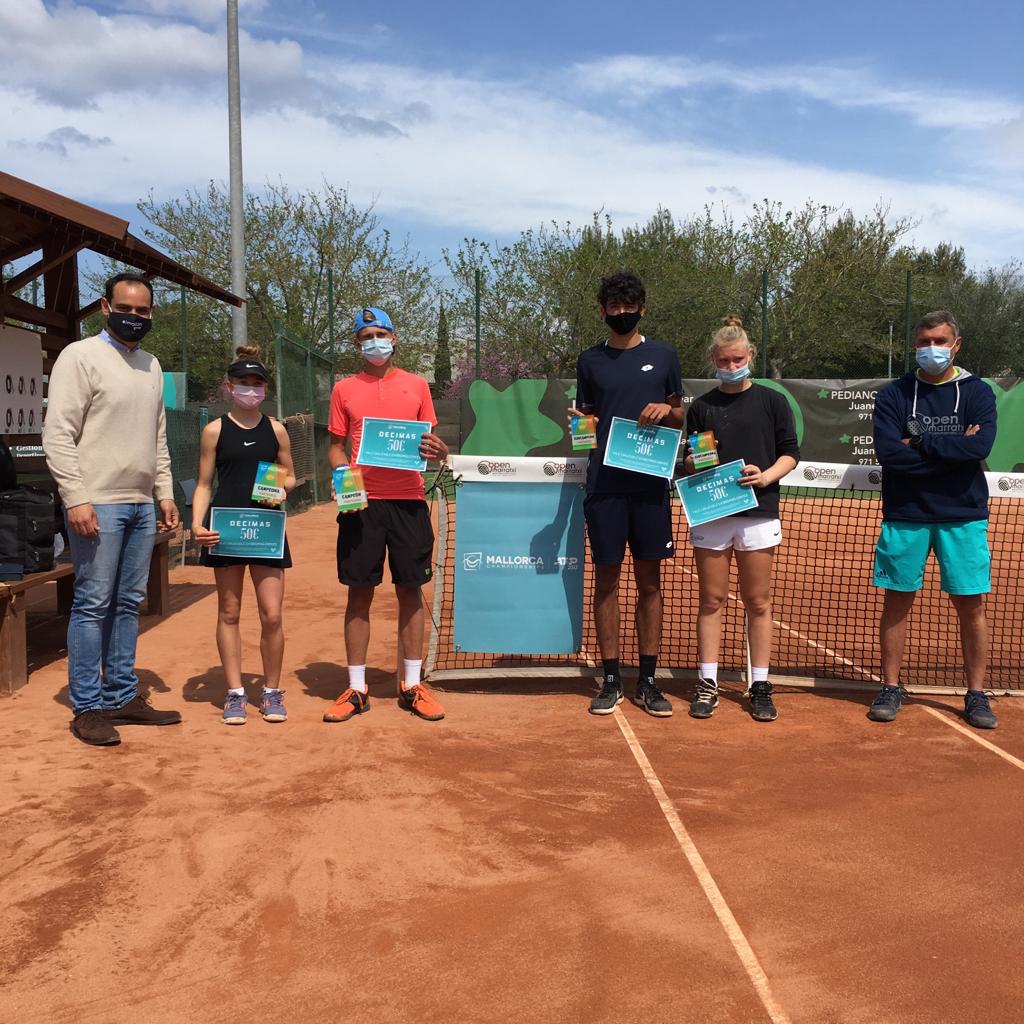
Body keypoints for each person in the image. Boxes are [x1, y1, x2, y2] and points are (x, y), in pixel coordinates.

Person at [42, 272, 181, 746]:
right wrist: (76, 497)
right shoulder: (79, 356)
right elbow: (57, 433)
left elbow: (157, 435)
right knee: (92, 603)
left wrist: (164, 492)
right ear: (106, 307)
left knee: (126, 603)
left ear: (152, 312)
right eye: (125, 308)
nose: (134, 317)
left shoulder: (151, 365)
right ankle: (87, 707)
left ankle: (122, 695)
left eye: (142, 311)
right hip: (97, 502)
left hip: (141, 504)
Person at [868, 310, 998, 729]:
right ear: (915, 344)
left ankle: (976, 694)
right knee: (896, 602)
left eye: (940, 341)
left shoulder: (977, 392)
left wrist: (919, 442)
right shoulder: (894, 394)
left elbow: (979, 449)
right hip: (905, 513)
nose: (932, 349)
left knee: (971, 606)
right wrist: (952, 450)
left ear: (956, 344)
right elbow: (889, 454)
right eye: (924, 341)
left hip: (963, 514)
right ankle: (890, 687)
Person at [323, 306, 449, 723]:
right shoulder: (343, 389)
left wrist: (440, 451)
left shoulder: (417, 385)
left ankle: (412, 684)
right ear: (357, 344)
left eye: (380, 334)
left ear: (393, 338)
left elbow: (429, 443)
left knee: (411, 591)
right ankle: (356, 688)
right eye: (365, 337)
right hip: (361, 503)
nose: (374, 343)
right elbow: (336, 447)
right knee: (359, 593)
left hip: (409, 501)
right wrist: (342, 474)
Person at [570, 271, 682, 717]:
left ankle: (648, 681)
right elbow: (585, 426)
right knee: (607, 583)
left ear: (642, 309)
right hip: (605, 488)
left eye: (628, 306)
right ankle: (612, 678)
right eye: (614, 307)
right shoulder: (589, 360)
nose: (621, 313)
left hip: (651, 485)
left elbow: (680, 417)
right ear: (602, 310)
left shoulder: (665, 355)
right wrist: (579, 425)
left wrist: (668, 409)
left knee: (650, 584)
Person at [682, 316, 799, 722]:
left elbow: (790, 453)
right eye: (723, 360)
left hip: (758, 513)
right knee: (711, 600)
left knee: (758, 602)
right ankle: (708, 682)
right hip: (712, 514)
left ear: (750, 355)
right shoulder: (702, 407)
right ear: (713, 360)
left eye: (737, 359)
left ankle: (760, 685)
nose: (731, 366)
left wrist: (765, 476)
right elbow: (693, 461)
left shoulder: (773, 402)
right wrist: (697, 461)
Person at [191, 346, 296, 725]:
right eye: (243, 382)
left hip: (267, 530)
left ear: (265, 388)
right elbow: (204, 484)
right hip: (227, 530)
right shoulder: (214, 430)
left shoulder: (277, 429)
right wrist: (197, 524)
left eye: (257, 383)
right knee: (229, 611)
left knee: (272, 614)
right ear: (229, 386)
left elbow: (290, 476)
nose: (250, 389)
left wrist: (282, 488)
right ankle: (235, 694)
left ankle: (271, 691)